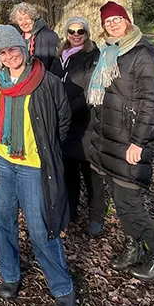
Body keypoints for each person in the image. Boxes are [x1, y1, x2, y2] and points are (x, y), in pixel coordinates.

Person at [0, 24, 76, 306]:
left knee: (41, 228)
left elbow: (63, 120)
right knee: (3, 221)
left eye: (13, 49)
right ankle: (10, 276)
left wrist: (45, 148)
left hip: (33, 165)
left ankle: (62, 287)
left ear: (23, 49)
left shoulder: (46, 81)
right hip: (2, 161)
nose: (9, 56)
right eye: (3, 52)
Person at [87, 1, 154, 281]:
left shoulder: (142, 53)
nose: (112, 24)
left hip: (128, 141)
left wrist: (138, 142)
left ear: (127, 20)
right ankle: (134, 247)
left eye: (117, 19)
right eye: (107, 21)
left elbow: (152, 102)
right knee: (121, 200)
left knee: (130, 204)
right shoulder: (107, 53)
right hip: (108, 139)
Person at [55, 16, 104, 235]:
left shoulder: (92, 57)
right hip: (64, 125)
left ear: (87, 33)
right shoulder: (59, 58)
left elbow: (89, 93)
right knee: (69, 171)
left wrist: (66, 111)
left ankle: (96, 215)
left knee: (90, 171)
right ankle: (72, 209)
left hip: (85, 123)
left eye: (80, 31)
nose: (75, 35)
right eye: (71, 31)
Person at [10, 2, 60, 70]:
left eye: (27, 18)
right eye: (20, 19)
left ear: (33, 18)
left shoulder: (49, 36)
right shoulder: (15, 39)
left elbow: (57, 64)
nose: (24, 23)